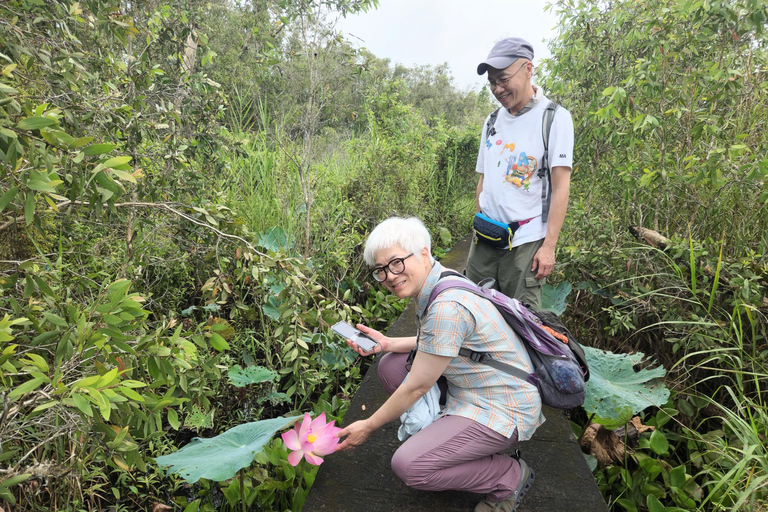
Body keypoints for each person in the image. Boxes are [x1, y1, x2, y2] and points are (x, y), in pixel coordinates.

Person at [337, 216, 543, 512]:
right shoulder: (443, 280)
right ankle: (444, 443)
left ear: (423, 253)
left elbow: (418, 386)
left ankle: (508, 477)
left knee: (409, 466)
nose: (390, 276)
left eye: (396, 263)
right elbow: (435, 342)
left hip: (503, 407)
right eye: (381, 270)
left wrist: (368, 426)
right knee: (391, 364)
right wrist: (388, 343)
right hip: (475, 387)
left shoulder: (447, 306)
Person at [466, 37, 574, 310]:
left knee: (523, 323)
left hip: (525, 244)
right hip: (485, 238)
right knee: (475, 313)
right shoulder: (492, 120)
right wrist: (480, 217)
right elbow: (484, 176)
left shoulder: (554, 118)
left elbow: (561, 187)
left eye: (503, 79)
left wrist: (548, 247)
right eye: (492, 82)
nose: (498, 89)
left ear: (528, 69)